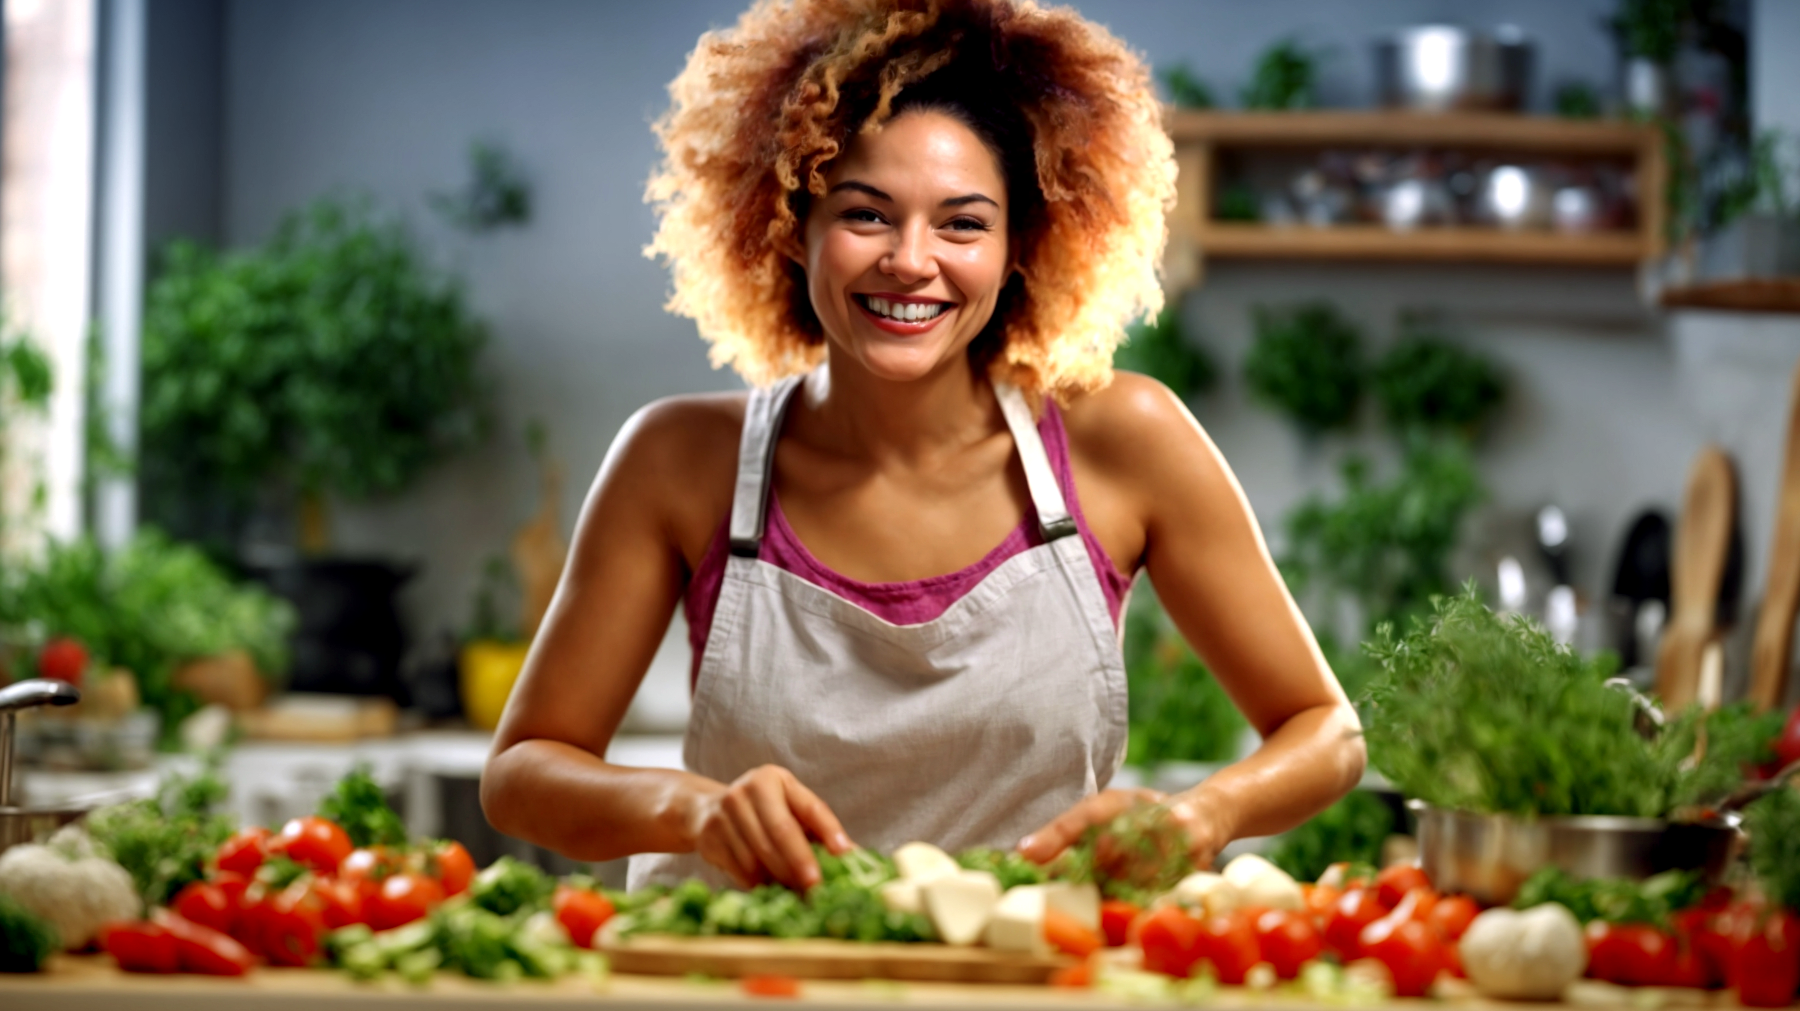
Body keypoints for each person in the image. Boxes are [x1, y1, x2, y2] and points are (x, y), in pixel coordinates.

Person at [482, 0, 1365, 892]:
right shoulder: (679, 460)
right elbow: (522, 774)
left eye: (962, 223)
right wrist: (692, 808)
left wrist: (1196, 817)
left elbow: (1326, 730)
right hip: (743, 977)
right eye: (866, 214)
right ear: (794, 225)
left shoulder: (1121, 441)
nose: (911, 260)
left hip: (1018, 978)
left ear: (1021, 244)